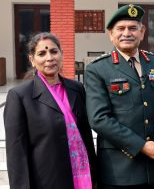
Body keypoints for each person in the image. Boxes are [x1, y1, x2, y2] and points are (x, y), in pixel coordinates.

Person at [85, 4, 154, 189]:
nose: (126, 33)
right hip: (119, 169)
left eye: (132, 28)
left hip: (151, 167)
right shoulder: (97, 69)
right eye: (120, 29)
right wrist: (141, 146)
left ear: (142, 31)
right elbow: (99, 119)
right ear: (110, 34)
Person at [4, 32, 97, 189]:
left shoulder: (77, 88)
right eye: (42, 53)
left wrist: (96, 175)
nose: (49, 58)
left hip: (83, 177)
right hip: (46, 180)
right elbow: (16, 153)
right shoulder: (20, 96)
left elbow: (86, 135)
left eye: (54, 51)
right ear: (32, 60)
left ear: (61, 54)